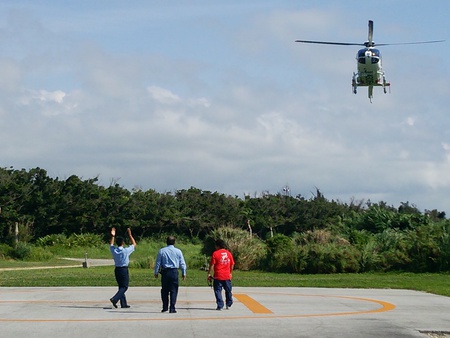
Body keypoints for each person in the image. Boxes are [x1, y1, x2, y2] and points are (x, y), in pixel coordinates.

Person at [154, 236, 187, 313]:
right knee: (174, 290)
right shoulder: (178, 251)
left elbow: (158, 262)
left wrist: (156, 272)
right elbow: (182, 263)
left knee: (164, 290)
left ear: (166, 242)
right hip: (174, 272)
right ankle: (172, 307)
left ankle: (165, 307)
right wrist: (183, 272)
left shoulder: (162, 251)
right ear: (174, 242)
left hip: (165, 272)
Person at [109, 227, 136, 309]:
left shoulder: (114, 250)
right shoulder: (125, 251)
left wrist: (113, 236)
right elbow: (134, 244)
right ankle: (115, 298)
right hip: (124, 269)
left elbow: (111, 244)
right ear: (123, 243)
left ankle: (123, 303)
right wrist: (130, 235)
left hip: (117, 269)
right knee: (125, 287)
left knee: (121, 286)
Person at [208, 239, 235, 310]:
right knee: (228, 290)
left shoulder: (215, 253)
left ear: (217, 246)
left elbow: (212, 265)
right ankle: (228, 303)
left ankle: (220, 304)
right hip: (227, 275)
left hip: (218, 275)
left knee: (217, 290)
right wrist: (230, 272)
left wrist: (209, 273)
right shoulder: (229, 253)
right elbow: (232, 264)